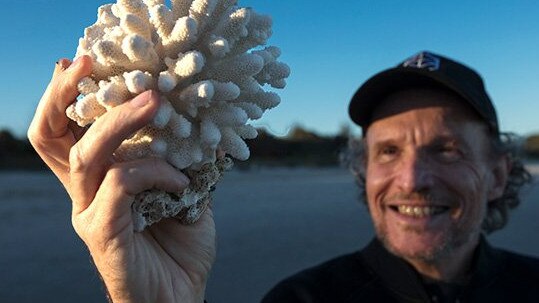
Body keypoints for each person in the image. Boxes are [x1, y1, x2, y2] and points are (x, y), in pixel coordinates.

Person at [28, 51, 538, 303]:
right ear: (362, 169)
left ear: (498, 174)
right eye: (387, 151)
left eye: (446, 150)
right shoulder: (302, 300)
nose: (412, 177)